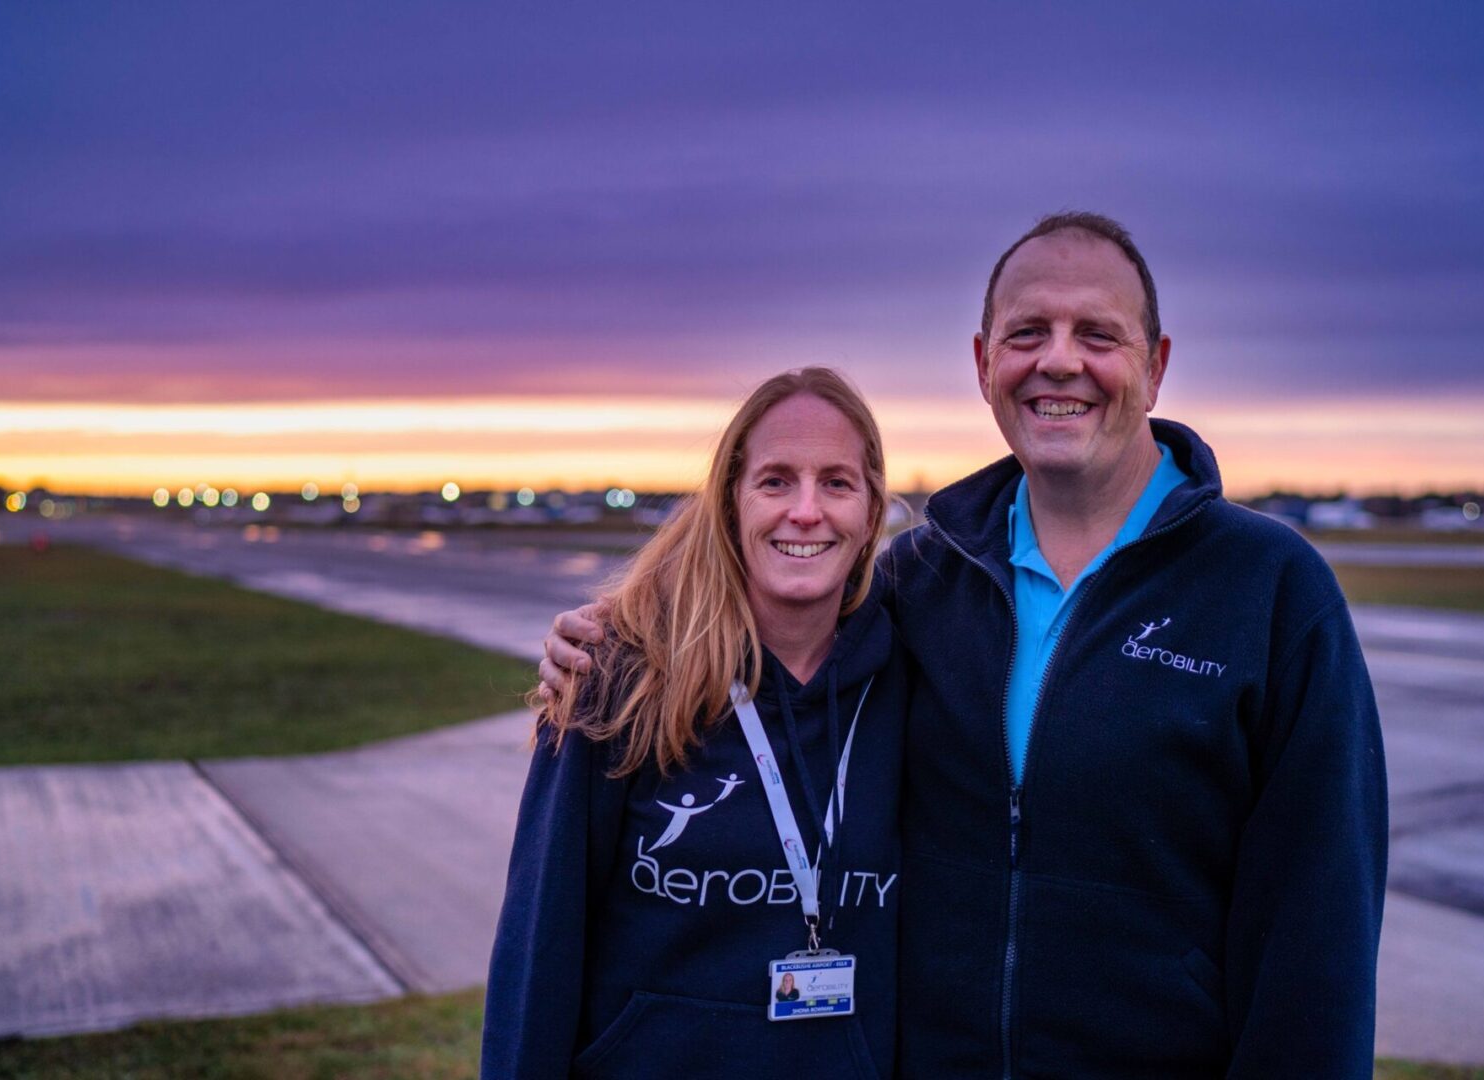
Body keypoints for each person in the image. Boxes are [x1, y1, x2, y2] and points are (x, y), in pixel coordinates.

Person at [542, 212, 1388, 1078]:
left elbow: (1316, 938)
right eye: (1028, 334)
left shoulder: (1269, 589)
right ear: (984, 364)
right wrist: (615, 642)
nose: (1059, 360)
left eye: (1097, 334)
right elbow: (765, 634)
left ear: (1156, 365)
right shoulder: (918, 581)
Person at [482, 367, 906, 1079]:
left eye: (837, 483)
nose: (806, 510)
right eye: (775, 481)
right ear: (732, 503)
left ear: (871, 516)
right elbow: (540, 946)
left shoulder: (915, 680)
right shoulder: (618, 678)